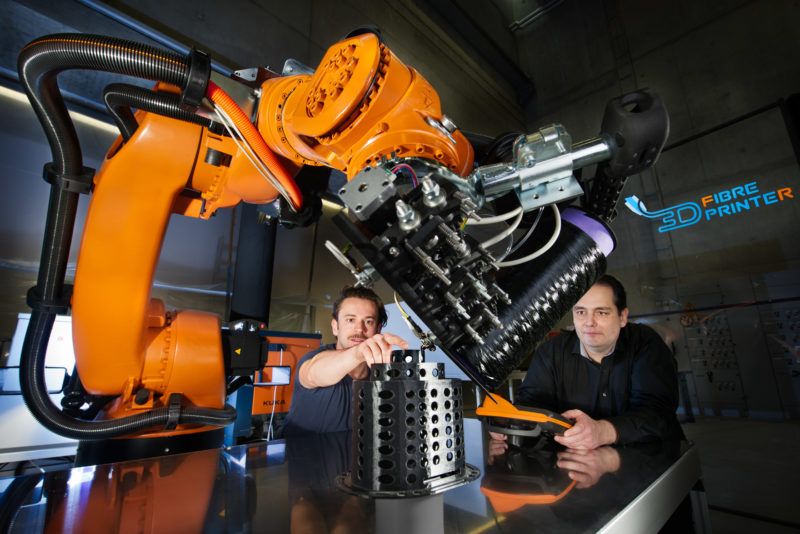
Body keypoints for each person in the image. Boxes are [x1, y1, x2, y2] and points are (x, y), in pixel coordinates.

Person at [491, 274, 683, 450]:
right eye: (581, 312)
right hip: (574, 469)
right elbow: (533, 403)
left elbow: (658, 413)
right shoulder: (551, 352)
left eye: (601, 312)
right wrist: (511, 423)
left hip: (648, 460)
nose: (589, 322)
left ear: (622, 317)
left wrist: (603, 431)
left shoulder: (645, 344)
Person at [281, 285, 408, 436]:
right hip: (298, 457)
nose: (359, 329)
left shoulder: (385, 375)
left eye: (368, 321)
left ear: (378, 329)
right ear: (335, 327)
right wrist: (359, 352)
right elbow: (315, 370)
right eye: (350, 320)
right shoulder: (313, 360)